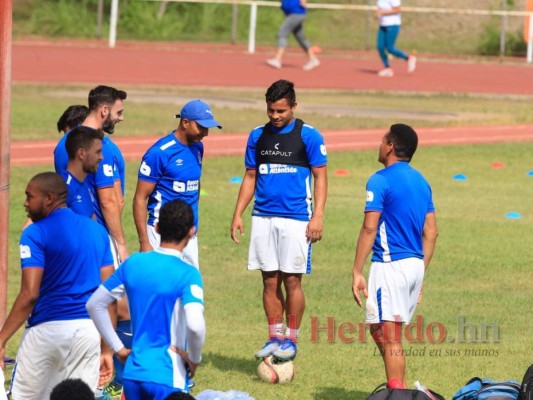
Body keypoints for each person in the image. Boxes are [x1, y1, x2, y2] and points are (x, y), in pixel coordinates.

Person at [230, 79, 328, 361]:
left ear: (294, 107)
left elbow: (320, 177)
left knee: (292, 281)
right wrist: (238, 213)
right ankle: (275, 337)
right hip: (263, 217)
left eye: (281, 111)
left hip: (297, 219)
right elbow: (250, 177)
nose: (274, 116)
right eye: (271, 110)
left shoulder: (308, 136)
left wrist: (318, 216)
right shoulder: (257, 136)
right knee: (269, 280)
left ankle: (292, 340)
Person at [0, 172, 115, 400]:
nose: (25, 203)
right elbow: (108, 295)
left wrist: (1, 339)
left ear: (49, 198)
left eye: (29, 197)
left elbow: (30, 294)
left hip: (46, 333)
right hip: (88, 332)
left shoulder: (34, 233)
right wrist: (107, 349)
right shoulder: (98, 231)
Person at [53, 85, 130, 398]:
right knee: (119, 307)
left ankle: (97, 375)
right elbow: (109, 201)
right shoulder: (99, 145)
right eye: (119, 112)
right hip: (97, 239)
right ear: (103, 110)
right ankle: (111, 380)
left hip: (74, 237)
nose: (121, 118)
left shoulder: (65, 142)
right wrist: (121, 243)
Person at [87, 200, 206, 399]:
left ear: (157, 227)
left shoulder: (134, 263)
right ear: (191, 231)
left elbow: (94, 304)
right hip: (168, 375)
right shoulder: (188, 274)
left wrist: (118, 349)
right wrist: (194, 358)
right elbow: (195, 325)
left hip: (133, 374)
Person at [351, 124, 438, 387]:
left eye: (382, 140)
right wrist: (420, 274)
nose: (379, 144)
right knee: (381, 330)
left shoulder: (380, 179)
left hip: (391, 265)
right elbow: (431, 233)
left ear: (390, 146)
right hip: (414, 266)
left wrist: (357, 271)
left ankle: (397, 392)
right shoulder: (422, 182)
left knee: (391, 337)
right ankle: (396, 385)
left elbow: (369, 227)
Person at [133, 99, 221, 268]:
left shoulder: (198, 147)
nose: (206, 133)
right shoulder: (159, 153)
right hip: (161, 234)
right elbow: (140, 198)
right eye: (202, 127)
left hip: (188, 234)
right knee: (160, 290)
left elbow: (195, 184)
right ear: (185, 123)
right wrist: (144, 241)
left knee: (188, 291)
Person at [266, 0, 320, 71]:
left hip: (297, 14)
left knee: (282, 33)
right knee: (300, 37)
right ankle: (313, 58)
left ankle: (277, 59)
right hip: (294, 14)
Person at [64, 126, 104, 219]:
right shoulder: (64, 187)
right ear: (81, 153)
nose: (101, 157)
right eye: (98, 152)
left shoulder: (83, 182)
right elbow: (31, 226)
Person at [375, 0, 416, 77]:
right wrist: (378, 15)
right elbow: (379, 9)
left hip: (393, 25)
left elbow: (397, 9)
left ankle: (408, 58)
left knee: (390, 48)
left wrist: (382, 12)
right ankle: (387, 68)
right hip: (383, 25)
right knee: (380, 47)